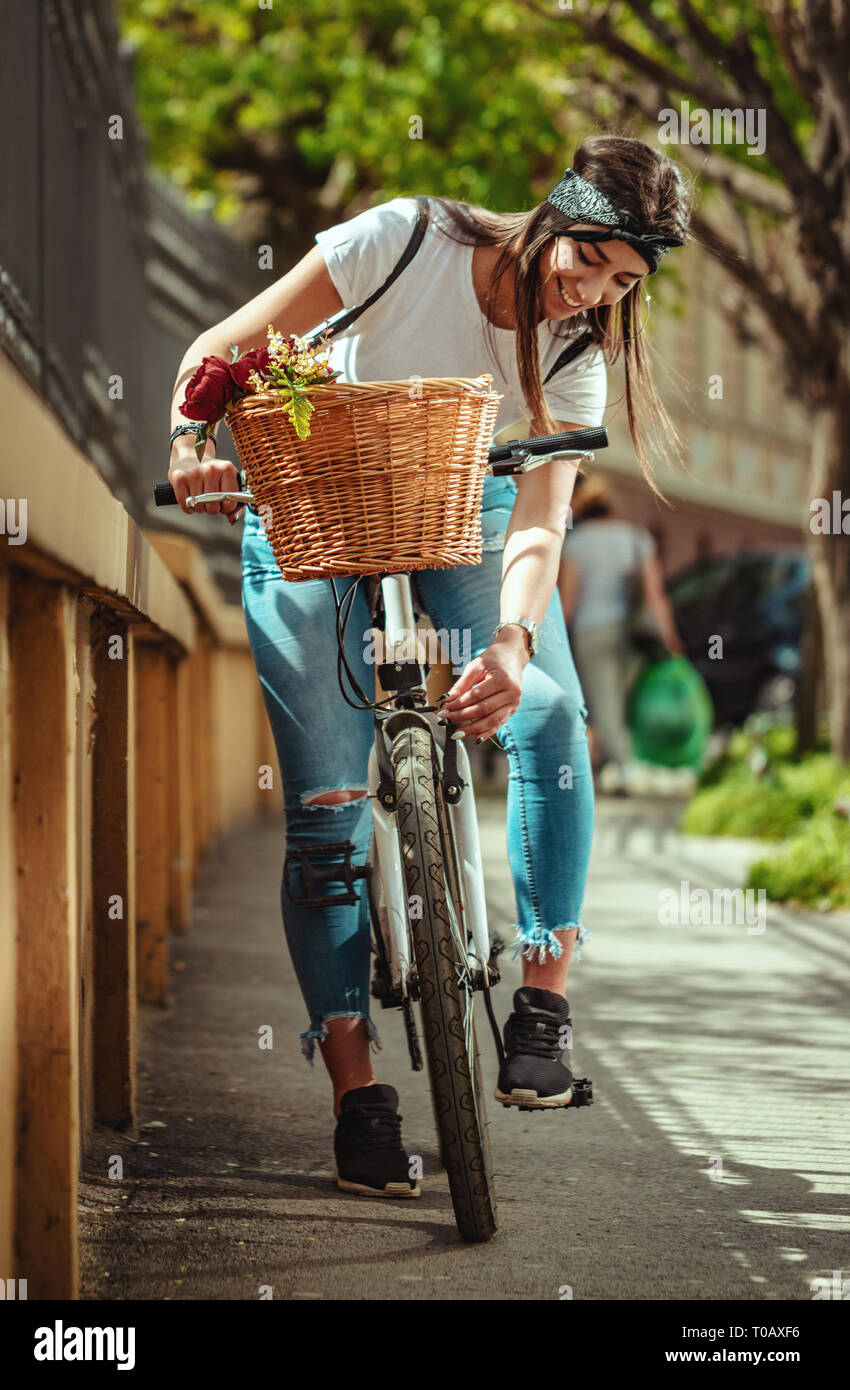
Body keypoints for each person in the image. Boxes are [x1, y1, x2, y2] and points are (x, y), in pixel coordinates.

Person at [167, 135, 690, 1199]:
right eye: (587, 256)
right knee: (324, 814)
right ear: (556, 212)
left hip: (463, 504)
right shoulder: (404, 237)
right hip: (308, 501)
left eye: (620, 283)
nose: (588, 289)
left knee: (545, 714)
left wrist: (509, 640)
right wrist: (190, 434)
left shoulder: (576, 348)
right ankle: (358, 1098)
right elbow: (219, 345)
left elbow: (544, 518)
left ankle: (540, 1005)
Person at [559, 475, 683, 793]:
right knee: (621, 698)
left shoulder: (577, 542)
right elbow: (656, 596)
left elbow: (568, 600)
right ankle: (612, 765)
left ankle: (623, 769)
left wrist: (553, 636)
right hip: (631, 631)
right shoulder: (636, 538)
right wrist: (670, 638)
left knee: (602, 701)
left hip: (592, 632)